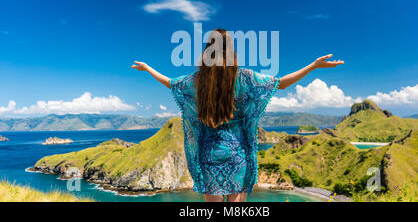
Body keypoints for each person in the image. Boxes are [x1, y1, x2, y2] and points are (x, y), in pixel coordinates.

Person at [131, 29, 344, 202]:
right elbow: (280, 83)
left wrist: (149, 68)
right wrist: (314, 66)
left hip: (208, 155)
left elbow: (171, 83)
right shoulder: (245, 77)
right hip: (237, 155)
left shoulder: (197, 82)